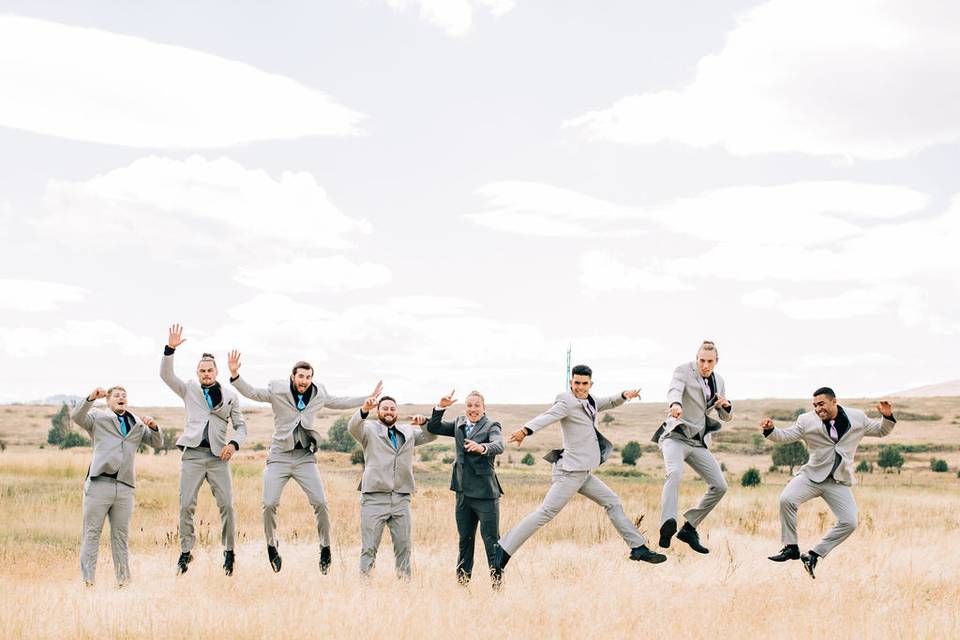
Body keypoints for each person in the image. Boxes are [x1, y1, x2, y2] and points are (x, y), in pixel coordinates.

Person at [493, 364, 666, 579]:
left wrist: (624, 395)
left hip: (583, 473)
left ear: (590, 383)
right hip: (569, 473)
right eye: (577, 383)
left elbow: (610, 401)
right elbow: (548, 416)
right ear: (571, 383)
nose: (581, 387)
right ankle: (502, 550)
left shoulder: (590, 401)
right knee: (545, 513)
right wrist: (525, 430)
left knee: (612, 502)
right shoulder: (566, 401)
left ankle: (638, 548)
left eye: (585, 384)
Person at [229, 349, 380, 574]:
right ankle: (272, 546)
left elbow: (339, 401)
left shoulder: (319, 393)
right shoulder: (277, 390)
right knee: (269, 504)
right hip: (279, 455)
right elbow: (252, 392)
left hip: (305, 458)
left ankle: (325, 548)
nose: (305, 381)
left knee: (320, 503)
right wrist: (235, 375)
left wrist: (367, 399)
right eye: (301, 377)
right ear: (293, 376)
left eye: (308, 377)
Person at [761, 387, 896, 579]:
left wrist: (887, 416)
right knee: (787, 499)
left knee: (849, 522)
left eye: (821, 404)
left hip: (838, 480)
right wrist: (770, 430)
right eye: (815, 405)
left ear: (834, 401)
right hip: (812, 475)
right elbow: (785, 436)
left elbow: (881, 431)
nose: (818, 409)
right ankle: (790, 547)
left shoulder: (857, 417)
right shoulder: (806, 420)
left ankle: (813, 555)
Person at [161, 324, 247, 576]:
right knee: (186, 504)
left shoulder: (230, 396)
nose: (206, 374)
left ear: (216, 371)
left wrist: (234, 444)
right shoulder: (189, 389)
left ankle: (229, 552)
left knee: (227, 506)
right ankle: (186, 551)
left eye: (210, 370)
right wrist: (170, 349)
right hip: (193, 456)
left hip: (219, 457)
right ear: (197, 373)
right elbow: (166, 376)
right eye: (202, 371)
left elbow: (241, 427)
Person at [71, 386, 162, 587]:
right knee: (92, 533)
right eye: (116, 396)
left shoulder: (136, 424)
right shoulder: (97, 418)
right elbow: (77, 416)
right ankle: (88, 582)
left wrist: (154, 427)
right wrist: (90, 398)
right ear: (108, 401)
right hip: (99, 484)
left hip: (124, 487)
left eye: (124, 395)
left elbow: (157, 442)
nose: (121, 398)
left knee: (120, 537)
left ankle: (123, 582)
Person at [651, 340, 732, 553]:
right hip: (676, 436)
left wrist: (725, 405)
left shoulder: (719, 380)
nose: (705, 365)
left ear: (716, 361)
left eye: (709, 361)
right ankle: (667, 524)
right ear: (696, 359)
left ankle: (689, 528)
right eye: (701, 360)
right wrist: (675, 404)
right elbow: (674, 389)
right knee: (675, 473)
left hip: (698, 442)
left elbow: (725, 415)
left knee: (720, 486)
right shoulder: (683, 371)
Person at [348, 393, 435, 580]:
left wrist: (425, 423)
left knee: (404, 547)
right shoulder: (369, 430)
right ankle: (364, 587)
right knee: (369, 547)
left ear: (397, 412)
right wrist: (363, 410)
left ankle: (404, 586)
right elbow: (353, 427)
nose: (389, 411)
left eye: (392, 409)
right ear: (378, 411)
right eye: (385, 408)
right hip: (374, 497)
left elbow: (431, 436)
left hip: (401, 498)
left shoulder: (408, 432)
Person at [426, 389, 504, 587]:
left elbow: (499, 445)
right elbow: (435, 427)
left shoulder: (491, 426)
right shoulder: (459, 423)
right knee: (465, 540)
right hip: (462, 492)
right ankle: (462, 584)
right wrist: (440, 407)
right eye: (469, 405)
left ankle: (497, 583)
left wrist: (482, 448)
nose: (473, 409)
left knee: (491, 541)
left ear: (484, 408)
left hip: (485, 494)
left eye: (477, 405)